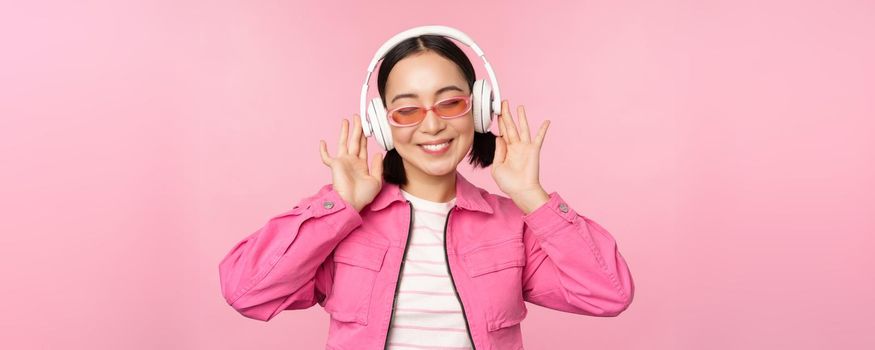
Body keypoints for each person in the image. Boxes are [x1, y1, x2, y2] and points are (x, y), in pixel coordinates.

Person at [219, 29, 635, 350]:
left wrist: (532, 197)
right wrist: (339, 205)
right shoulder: (342, 223)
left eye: (450, 103)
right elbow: (245, 292)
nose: (432, 124)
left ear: (479, 108)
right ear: (383, 124)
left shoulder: (515, 227)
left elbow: (609, 294)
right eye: (407, 109)